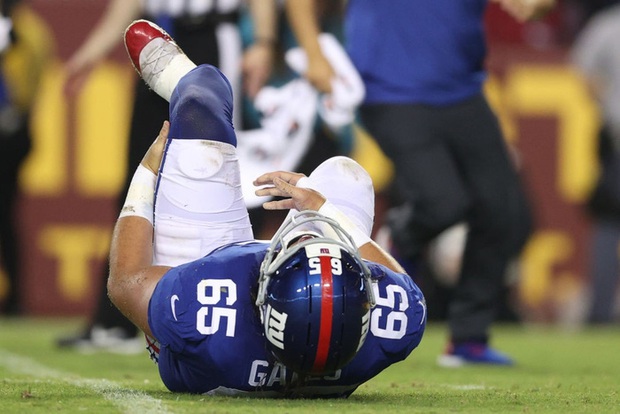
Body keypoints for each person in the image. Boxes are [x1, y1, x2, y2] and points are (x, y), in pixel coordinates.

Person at [106, 19, 426, 396]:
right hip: (265, 336)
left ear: (264, 293)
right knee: (347, 176)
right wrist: (325, 211)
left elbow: (125, 283)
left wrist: (146, 173)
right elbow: (406, 290)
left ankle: (182, 80)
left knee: (200, 97)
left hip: (211, 299)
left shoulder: (205, 308)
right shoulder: (389, 324)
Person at [285, 0, 557, 366]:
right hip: (389, 92)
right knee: (442, 202)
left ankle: (468, 338)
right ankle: (401, 237)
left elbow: (528, 6)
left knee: (501, 207)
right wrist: (314, 54)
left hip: (463, 90)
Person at [57, 0, 277, 350]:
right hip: (160, 42)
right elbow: (127, 6)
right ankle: (118, 319)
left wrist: (263, 42)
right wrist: (91, 53)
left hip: (217, 39)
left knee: (213, 172)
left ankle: (224, 306)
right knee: (140, 177)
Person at [571, 2, 620, 324]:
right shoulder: (609, 24)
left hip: (616, 137)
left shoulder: (608, 24)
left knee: (608, 224)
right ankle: (600, 310)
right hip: (616, 142)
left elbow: (584, 70)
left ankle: (600, 312)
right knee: (607, 223)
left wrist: (607, 104)